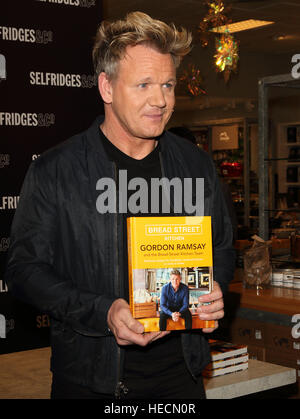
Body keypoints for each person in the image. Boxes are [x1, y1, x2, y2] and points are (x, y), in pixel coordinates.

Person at [5, 12, 235, 399]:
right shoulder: (56, 170)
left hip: (181, 377)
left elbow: (222, 247)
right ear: (106, 88)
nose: (161, 100)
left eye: (167, 85)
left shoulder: (195, 164)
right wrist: (102, 311)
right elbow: (24, 271)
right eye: (144, 84)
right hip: (92, 381)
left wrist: (214, 287)